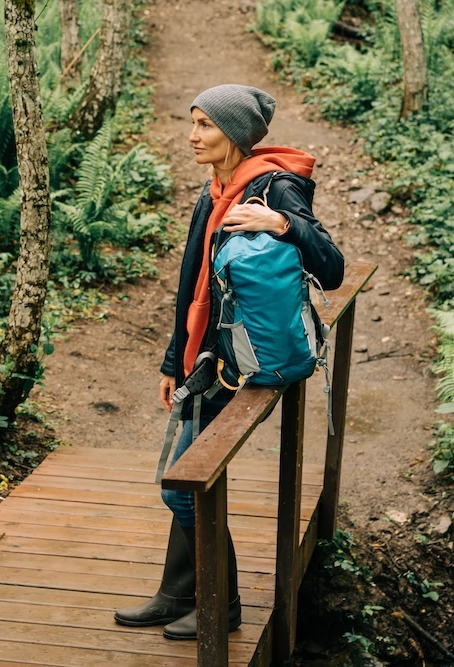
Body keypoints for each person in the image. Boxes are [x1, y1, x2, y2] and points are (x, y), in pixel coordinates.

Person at [113, 84, 345, 640]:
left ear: (236, 133)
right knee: (187, 477)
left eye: (205, 126)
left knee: (183, 484)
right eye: (192, 123)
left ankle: (227, 603)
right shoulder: (214, 189)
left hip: (243, 363)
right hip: (209, 356)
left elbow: (332, 267)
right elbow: (192, 279)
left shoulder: (276, 188)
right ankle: (176, 595)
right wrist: (175, 360)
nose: (193, 136)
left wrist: (281, 225)